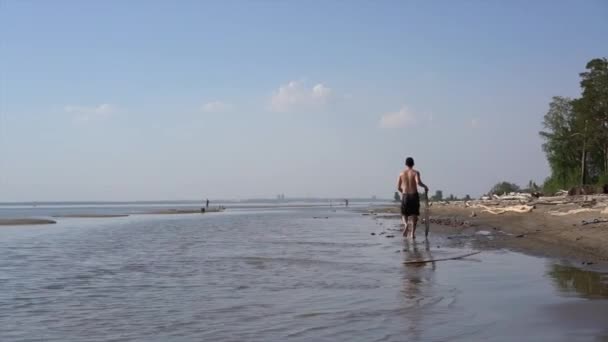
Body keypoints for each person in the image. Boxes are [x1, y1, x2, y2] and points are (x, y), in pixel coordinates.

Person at [397, 157, 429, 239]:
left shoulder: (401, 173)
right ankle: (412, 234)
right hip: (414, 195)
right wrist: (425, 186)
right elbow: (418, 182)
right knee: (414, 215)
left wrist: (403, 193)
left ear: (405, 164)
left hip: (405, 196)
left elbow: (398, 187)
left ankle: (406, 224)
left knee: (404, 214)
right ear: (413, 164)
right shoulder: (415, 172)